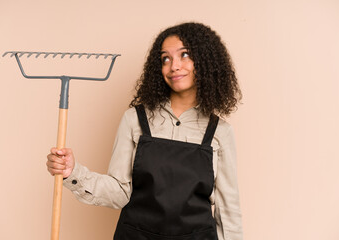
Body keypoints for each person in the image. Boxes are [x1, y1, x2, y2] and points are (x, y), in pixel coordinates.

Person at [47, 22, 243, 240]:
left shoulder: (219, 132)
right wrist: (72, 172)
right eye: (165, 59)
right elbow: (120, 192)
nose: (173, 66)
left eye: (184, 55)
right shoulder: (135, 119)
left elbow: (228, 212)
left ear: (206, 61)